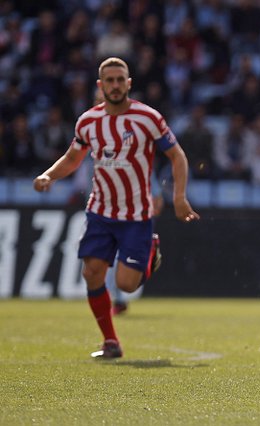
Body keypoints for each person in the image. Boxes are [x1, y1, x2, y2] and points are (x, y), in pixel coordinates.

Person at [33, 57, 200, 359]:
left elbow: (177, 156)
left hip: (136, 215)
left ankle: (150, 248)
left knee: (127, 284)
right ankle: (111, 341)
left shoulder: (147, 118)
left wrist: (179, 197)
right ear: (100, 85)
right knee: (91, 272)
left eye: (120, 80)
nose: (115, 85)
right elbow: (72, 158)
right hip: (101, 211)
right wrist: (49, 176)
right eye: (109, 80)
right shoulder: (88, 121)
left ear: (129, 83)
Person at [107, 172, 165, 316]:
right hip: (114, 217)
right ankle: (117, 301)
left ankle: (117, 300)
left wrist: (148, 220)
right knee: (110, 261)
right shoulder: (107, 167)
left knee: (119, 262)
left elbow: (157, 198)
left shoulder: (141, 168)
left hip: (135, 220)